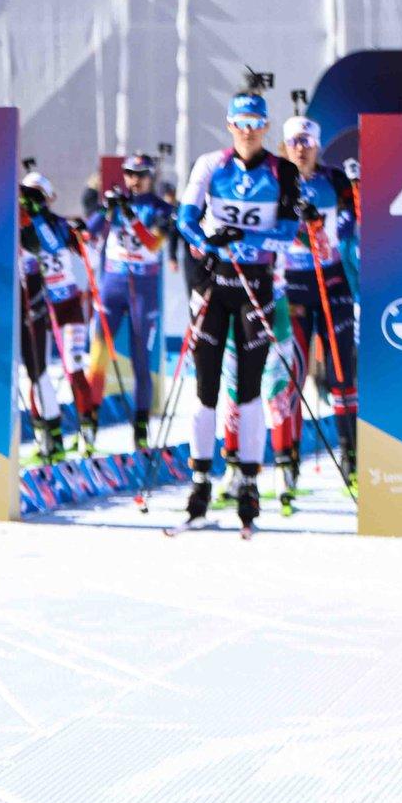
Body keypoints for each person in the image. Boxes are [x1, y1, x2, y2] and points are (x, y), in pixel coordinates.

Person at [175, 90, 301, 529]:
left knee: (250, 389)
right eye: (240, 122)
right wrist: (209, 242)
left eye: (255, 123)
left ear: (265, 126)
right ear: (229, 124)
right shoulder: (211, 164)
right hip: (215, 285)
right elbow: (185, 219)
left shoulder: (282, 170)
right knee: (206, 387)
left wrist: (243, 241)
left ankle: (248, 481)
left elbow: (287, 234)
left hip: (256, 288)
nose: (248, 131)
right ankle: (200, 482)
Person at [269, 114, 358, 498]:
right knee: (292, 374)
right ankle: (287, 464)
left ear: (317, 144)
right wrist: (297, 228)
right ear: (286, 146)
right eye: (294, 141)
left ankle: (351, 460)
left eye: (306, 141)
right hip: (293, 287)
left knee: (342, 371)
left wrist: (320, 228)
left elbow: (350, 224)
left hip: (332, 279)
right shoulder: (274, 181)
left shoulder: (335, 179)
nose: (301, 147)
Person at [85, 152, 176, 448]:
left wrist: (131, 217)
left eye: (141, 175)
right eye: (129, 174)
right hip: (112, 285)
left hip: (143, 289)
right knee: (97, 357)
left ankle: (140, 432)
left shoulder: (162, 208)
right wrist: (107, 212)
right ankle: (89, 426)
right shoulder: (116, 204)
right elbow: (89, 234)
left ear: (151, 177)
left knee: (141, 362)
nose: (134, 180)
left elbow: (152, 244)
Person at [19, 170, 101, 453]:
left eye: (37, 196)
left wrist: (39, 214)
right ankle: (46, 437)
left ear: (49, 199)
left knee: (73, 366)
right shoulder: (19, 226)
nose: (31, 202)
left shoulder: (57, 225)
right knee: (36, 372)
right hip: (38, 306)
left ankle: (87, 431)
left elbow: (53, 243)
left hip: (67, 305)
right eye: (27, 196)